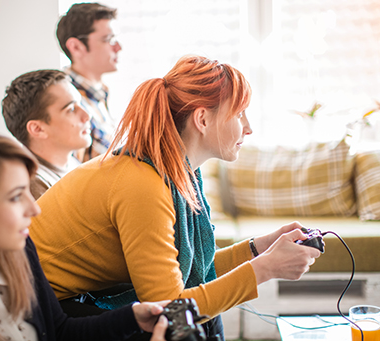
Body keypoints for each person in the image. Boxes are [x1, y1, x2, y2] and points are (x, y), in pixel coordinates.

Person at [29, 55, 322, 340]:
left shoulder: (175, 171)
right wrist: (266, 268)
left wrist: (258, 249)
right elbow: (172, 308)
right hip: (43, 306)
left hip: (71, 298)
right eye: (239, 113)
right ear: (203, 119)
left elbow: (196, 273)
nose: (248, 127)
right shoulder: (143, 184)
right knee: (190, 325)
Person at [0, 126, 169, 341]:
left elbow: (59, 331)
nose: (33, 209)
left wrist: (132, 318)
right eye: (15, 197)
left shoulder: (19, 249)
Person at [2, 69, 92, 199]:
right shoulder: (33, 186)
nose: (87, 115)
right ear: (38, 129)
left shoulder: (71, 163)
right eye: (71, 109)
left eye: (81, 104)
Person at [57, 2, 121, 161]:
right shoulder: (65, 103)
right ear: (76, 47)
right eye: (109, 39)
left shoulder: (100, 93)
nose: (118, 47)